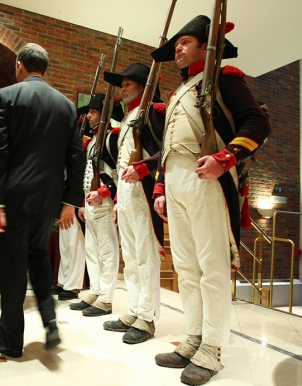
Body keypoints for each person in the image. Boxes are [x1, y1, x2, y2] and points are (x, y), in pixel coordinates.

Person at [149, 15, 271, 385]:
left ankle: (212, 348)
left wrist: (226, 157)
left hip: (208, 180)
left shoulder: (223, 79)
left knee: (212, 268)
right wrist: (160, 188)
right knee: (186, 268)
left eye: (186, 42)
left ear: (206, 45)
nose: (178, 49)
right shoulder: (178, 92)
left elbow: (258, 123)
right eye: (177, 44)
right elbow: (166, 148)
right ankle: (194, 338)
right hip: (177, 181)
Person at [0, 43, 85, 358]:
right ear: (45, 68)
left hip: (14, 194)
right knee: (38, 256)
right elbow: (76, 155)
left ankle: (10, 341)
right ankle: (50, 323)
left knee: (12, 266)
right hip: (50, 196)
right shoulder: (67, 105)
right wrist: (70, 200)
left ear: (19, 65)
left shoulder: (6, 96)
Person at [101, 63, 166, 344]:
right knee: (129, 255)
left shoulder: (153, 112)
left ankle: (147, 317)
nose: (122, 89)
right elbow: (119, 164)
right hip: (126, 194)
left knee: (144, 255)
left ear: (141, 85)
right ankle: (136, 308)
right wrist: (116, 199)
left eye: (127, 84)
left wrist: (144, 168)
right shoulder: (128, 117)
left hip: (143, 191)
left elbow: (167, 149)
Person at [70, 93, 121, 317]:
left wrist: (103, 193)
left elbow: (116, 174)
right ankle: (96, 290)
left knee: (106, 251)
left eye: (92, 112)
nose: (88, 116)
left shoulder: (112, 138)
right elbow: (89, 175)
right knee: (92, 250)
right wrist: (83, 203)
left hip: (105, 202)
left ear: (104, 116)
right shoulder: (92, 143)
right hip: (90, 204)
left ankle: (106, 298)